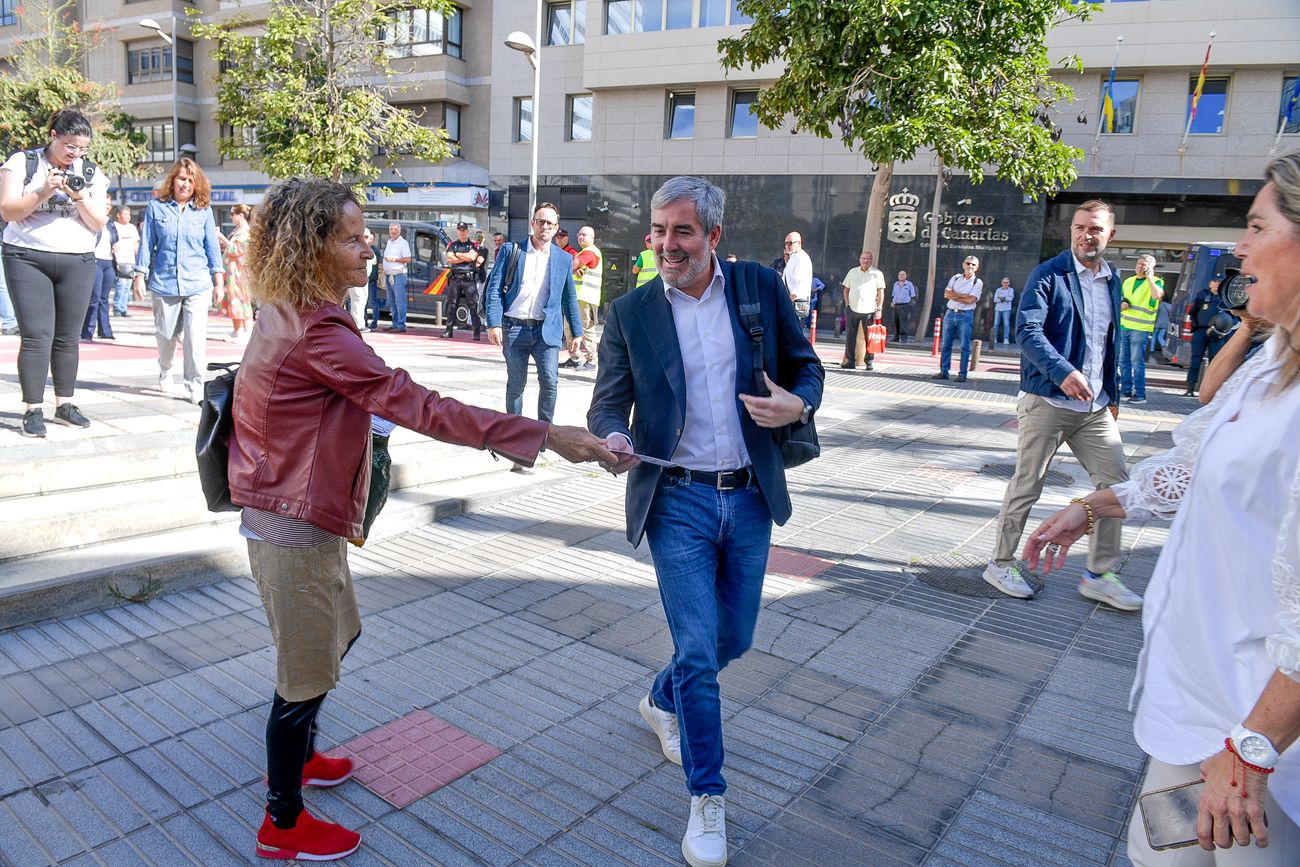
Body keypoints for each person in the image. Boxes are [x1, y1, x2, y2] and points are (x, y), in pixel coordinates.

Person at [229, 178, 616, 862]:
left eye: (364, 231)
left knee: (334, 639)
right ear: (312, 246)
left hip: (295, 512)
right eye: (351, 236)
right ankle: (281, 820)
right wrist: (546, 435)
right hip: (292, 522)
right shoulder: (317, 329)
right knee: (303, 676)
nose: (367, 243)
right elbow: (423, 405)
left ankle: (304, 756)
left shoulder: (291, 307)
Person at [1024, 152, 1300, 866]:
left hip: (1258, 737)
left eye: (1255, 226)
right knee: (1157, 853)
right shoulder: (1274, 364)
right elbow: (1191, 464)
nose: (1239, 247)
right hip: (1200, 703)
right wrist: (1091, 507)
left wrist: (1254, 749)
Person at [589, 176, 824, 867]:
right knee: (698, 651)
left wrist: (797, 403)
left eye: (682, 231)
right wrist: (612, 437)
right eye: (658, 230)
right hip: (678, 501)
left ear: (714, 236)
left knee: (733, 638)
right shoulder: (631, 312)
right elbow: (607, 405)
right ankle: (707, 797)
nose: (666, 244)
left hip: (749, 495)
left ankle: (660, 699)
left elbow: (808, 369)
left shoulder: (756, 287)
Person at [980, 200, 1143, 611]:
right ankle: (1000, 563)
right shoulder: (1049, 274)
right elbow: (1028, 330)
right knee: (1027, 482)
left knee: (1116, 486)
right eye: (1080, 227)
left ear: (1111, 235)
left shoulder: (1113, 281)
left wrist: (1115, 396)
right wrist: (1062, 372)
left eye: (1096, 229)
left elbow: (1110, 345)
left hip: (1096, 408)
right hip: (1048, 400)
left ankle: (1099, 574)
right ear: (1072, 230)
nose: (1086, 235)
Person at [0, 109, 110, 437]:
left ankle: (65, 404)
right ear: (53, 136)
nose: (74, 154)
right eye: (69, 146)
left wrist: (78, 194)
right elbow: (8, 210)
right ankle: (33, 408)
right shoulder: (23, 162)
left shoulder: (90, 172)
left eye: (82, 149)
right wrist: (44, 191)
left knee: (67, 337)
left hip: (77, 259)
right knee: (36, 335)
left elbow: (97, 222)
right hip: (27, 257)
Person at [484, 202, 583, 434]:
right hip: (514, 328)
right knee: (516, 385)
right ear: (532, 224)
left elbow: (569, 297)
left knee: (549, 382)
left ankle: (543, 433)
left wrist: (576, 332)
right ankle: (514, 434)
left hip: (546, 331)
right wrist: (494, 322)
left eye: (550, 223)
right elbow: (494, 288)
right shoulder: (511, 251)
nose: (545, 226)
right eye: (541, 221)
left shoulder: (563, 259)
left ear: (556, 227)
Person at [133, 157, 225, 404]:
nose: (185, 184)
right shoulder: (156, 208)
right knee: (166, 336)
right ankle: (165, 368)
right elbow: (147, 245)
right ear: (172, 180)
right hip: (165, 283)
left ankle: (194, 385)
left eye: (191, 180)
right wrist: (139, 275)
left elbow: (212, 247)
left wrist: (219, 280)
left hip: (198, 283)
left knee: (195, 337)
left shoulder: (204, 211)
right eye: (181, 179)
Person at [1118, 254, 1164, 404]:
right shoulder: (1128, 281)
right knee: (1123, 361)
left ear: (1151, 267)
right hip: (1124, 325)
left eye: (1144, 265)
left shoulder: (1156, 282)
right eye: (1139, 264)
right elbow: (1121, 299)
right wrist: (1122, 304)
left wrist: (1150, 277)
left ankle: (1140, 394)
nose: (1140, 267)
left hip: (1141, 328)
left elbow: (1157, 295)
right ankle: (1126, 390)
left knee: (1137, 362)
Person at [933, 255, 983, 382]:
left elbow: (971, 300)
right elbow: (946, 294)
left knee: (964, 346)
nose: (970, 266)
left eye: (973, 264)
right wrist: (963, 296)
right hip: (950, 314)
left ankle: (962, 374)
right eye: (968, 263)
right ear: (963, 265)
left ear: (977, 268)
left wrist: (954, 296)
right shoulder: (955, 278)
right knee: (945, 345)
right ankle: (944, 372)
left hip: (965, 315)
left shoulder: (978, 282)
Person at [1183, 276, 1234, 396]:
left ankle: (1212, 390)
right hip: (1201, 331)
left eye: (1219, 282)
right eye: (1215, 282)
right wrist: (1195, 324)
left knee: (1215, 362)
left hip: (1218, 333)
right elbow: (1193, 312)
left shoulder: (1226, 298)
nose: (1217, 284)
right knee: (1195, 359)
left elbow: (1233, 317)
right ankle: (1190, 387)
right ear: (1210, 283)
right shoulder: (1202, 296)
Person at [840, 251, 886, 370]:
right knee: (850, 336)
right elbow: (846, 289)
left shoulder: (877, 274)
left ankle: (869, 361)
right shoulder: (852, 272)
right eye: (863, 258)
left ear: (871, 260)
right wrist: (847, 303)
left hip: (869, 310)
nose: (865, 261)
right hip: (853, 308)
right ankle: (850, 361)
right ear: (859, 259)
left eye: (868, 259)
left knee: (869, 337)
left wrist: (879, 308)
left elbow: (881, 291)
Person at [82, 198, 116, 342]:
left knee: (104, 298)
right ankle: (87, 331)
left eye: (109, 205)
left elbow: (114, 239)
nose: (108, 207)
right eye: (105, 204)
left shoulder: (110, 223)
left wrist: (116, 246)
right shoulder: (91, 219)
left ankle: (105, 331)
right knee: (94, 298)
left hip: (108, 261)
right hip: (95, 260)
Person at [443, 221, 484, 340]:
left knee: (473, 306)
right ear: (457, 231)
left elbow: (472, 257)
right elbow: (450, 258)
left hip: (469, 279)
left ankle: (476, 332)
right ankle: (448, 331)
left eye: (464, 230)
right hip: (455, 278)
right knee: (452, 305)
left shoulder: (473, 245)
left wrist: (457, 255)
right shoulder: (452, 244)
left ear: (467, 231)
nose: (462, 232)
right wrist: (464, 256)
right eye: (460, 230)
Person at [221, 204, 255, 342]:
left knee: (242, 300)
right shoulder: (238, 231)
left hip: (240, 273)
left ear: (240, 215)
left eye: (233, 214)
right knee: (234, 300)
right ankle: (237, 330)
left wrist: (221, 237)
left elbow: (237, 251)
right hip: (232, 272)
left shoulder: (246, 232)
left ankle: (247, 331)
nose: (231, 217)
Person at [572, 225, 602, 370]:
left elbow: (572, 265)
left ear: (592, 238)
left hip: (587, 297)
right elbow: (579, 269)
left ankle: (591, 360)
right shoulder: (584, 252)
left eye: (585, 235)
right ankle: (575, 357)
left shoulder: (590, 252)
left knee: (586, 329)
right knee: (572, 328)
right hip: (579, 297)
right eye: (579, 234)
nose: (581, 237)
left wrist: (574, 267)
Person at [380, 222, 410, 333]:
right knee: (391, 301)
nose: (393, 231)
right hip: (389, 276)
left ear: (399, 231)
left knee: (400, 301)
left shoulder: (403, 243)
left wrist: (393, 259)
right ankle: (395, 323)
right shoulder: (389, 242)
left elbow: (408, 259)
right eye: (391, 229)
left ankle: (401, 325)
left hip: (399, 275)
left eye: (395, 229)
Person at [110, 205, 138, 317]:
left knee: (127, 286)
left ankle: (124, 308)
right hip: (119, 260)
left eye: (129, 214)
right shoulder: (114, 226)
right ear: (118, 215)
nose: (128, 216)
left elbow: (136, 243)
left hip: (130, 261)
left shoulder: (132, 228)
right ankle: (117, 307)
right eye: (125, 214)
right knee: (120, 285)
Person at [782, 231, 812, 322]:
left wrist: (786, 301)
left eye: (790, 243)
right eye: (786, 243)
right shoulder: (794, 258)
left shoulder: (801, 259)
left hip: (796, 303)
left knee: (793, 334)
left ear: (799, 243)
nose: (787, 246)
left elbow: (801, 286)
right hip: (793, 302)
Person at [363, 228, 383, 330]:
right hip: (363, 280)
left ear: (373, 240)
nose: (369, 240)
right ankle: (364, 322)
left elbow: (377, 263)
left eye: (371, 239)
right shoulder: (362, 248)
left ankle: (374, 322)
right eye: (367, 238)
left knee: (373, 302)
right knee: (363, 303)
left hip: (372, 280)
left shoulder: (375, 251)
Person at [890, 270, 916, 342]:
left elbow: (913, 295)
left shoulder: (909, 284)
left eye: (903, 274)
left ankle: (904, 337)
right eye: (900, 274)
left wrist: (909, 305)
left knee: (903, 322)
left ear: (906, 276)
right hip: (896, 305)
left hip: (905, 305)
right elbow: (893, 295)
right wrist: (893, 302)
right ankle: (896, 336)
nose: (901, 276)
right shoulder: (895, 284)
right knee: (896, 321)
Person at [993, 277, 1016, 346]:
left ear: (1009, 283)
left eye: (1007, 282)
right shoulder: (998, 290)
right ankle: (994, 338)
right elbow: (995, 299)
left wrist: (1002, 298)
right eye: (1004, 282)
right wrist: (1003, 299)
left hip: (1006, 309)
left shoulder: (1011, 290)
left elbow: (1011, 298)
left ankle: (1006, 338)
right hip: (998, 308)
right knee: (996, 324)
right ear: (1001, 283)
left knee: (1006, 324)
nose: (1005, 284)